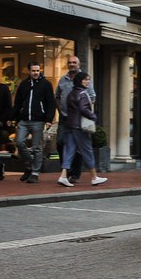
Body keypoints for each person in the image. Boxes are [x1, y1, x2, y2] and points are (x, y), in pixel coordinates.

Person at [57, 72, 107, 187]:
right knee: (87, 150)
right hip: (80, 127)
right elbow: (84, 109)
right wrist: (93, 116)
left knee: (69, 150)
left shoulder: (71, 93)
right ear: (80, 81)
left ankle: (63, 175)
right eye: (86, 80)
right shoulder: (83, 94)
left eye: (88, 80)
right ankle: (94, 177)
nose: (88, 82)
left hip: (69, 125)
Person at [10, 61, 56, 184]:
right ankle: (29, 165)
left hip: (38, 120)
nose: (35, 73)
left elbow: (51, 103)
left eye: (37, 70)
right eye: (33, 71)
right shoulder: (23, 85)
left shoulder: (46, 84)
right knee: (19, 142)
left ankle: (35, 172)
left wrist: (49, 119)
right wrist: (13, 117)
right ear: (29, 71)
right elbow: (18, 102)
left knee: (37, 147)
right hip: (24, 120)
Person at [55, 56, 95, 184]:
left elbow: (92, 98)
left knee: (75, 147)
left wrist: (88, 114)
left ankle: (73, 173)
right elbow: (57, 96)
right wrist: (60, 110)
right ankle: (68, 172)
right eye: (70, 63)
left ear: (78, 64)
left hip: (78, 119)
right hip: (66, 118)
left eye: (74, 62)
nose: (72, 64)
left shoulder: (83, 79)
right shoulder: (63, 79)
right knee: (62, 144)